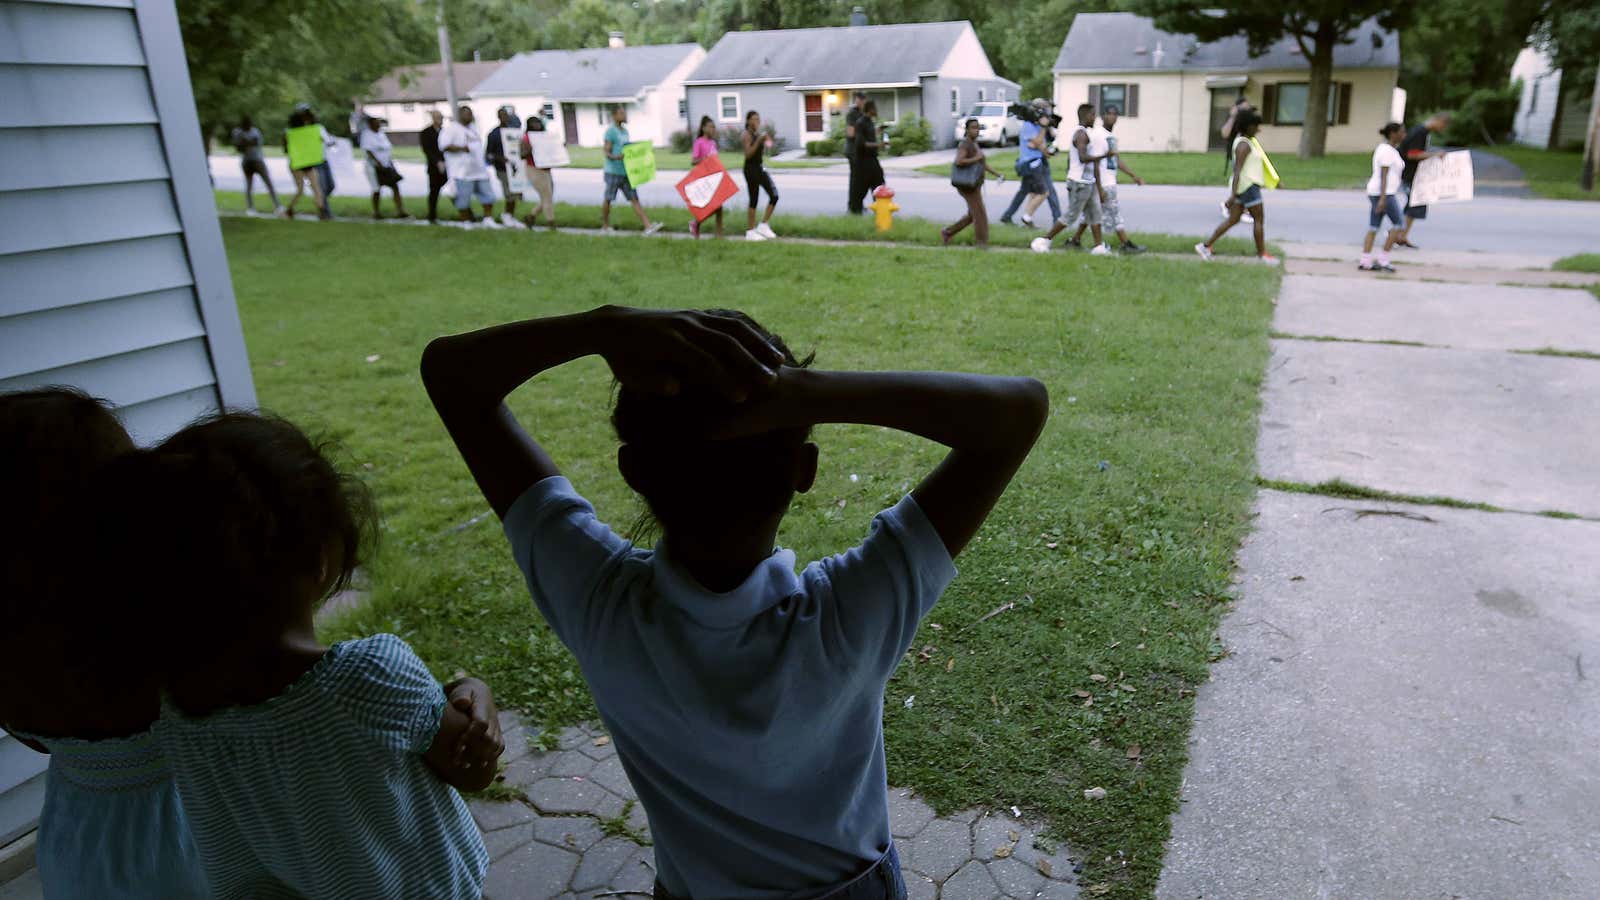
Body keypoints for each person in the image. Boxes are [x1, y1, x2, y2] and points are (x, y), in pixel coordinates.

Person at [419, 305, 1048, 899]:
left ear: (633, 471)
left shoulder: (596, 600)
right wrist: (810, 393)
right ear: (805, 468)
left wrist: (602, 329)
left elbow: (450, 374)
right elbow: (1019, 411)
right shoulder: (851, 614)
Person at [92, 412, 503, 899]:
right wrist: (475, 692)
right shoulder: (368, 676)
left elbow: (234, 868)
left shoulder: (181, 715)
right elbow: (472, 769)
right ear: (322, 558)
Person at [0, 388, 208, 899]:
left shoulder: (18, 657)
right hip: (198, 840)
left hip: (82, 844)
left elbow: (35, 737)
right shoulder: (170, 612)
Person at [1196, 110, 1279, 262]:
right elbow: (1237, 171)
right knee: (1259, 220)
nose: (1258, 129)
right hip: (1248, 187)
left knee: (1233, 220)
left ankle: (1205, 246)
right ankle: (1263, 255)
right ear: (1247, 126)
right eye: (1256, 126)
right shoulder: (1244, 145)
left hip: (1244, 186)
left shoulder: (1245, 142)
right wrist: (1233, 196)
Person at [1030, 103, 1110, 256]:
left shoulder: (1085, 133)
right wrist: (1105, 156)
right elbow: (1083, 157)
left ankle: (1099, 247)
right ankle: (1043, 240)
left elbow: (1070, 160)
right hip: (1080, 182)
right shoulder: (1081, 134)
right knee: (1071, 215)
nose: (1095, 118)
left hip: (1088, 181)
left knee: (1095, 213)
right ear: (1086, 116)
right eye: (1093, 115)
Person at [1071, 105, 1146, 254]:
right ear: (1103, 116)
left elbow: (1115, 160)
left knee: (1090, 214)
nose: (1113, 117)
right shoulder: (1099, 135)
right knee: (1114, 212)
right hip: (1104, 182)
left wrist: (1133, 175)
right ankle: (1126, 244)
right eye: (1109, 114)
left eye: (1115, 114)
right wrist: (1099, 187)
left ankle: (1075, 240)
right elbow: (1096, 161)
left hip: (1109, 179)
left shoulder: (1110, 137)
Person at [601, 105, 663, 235]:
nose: (624, 115)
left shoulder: (625, 131)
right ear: (614, 116)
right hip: (613, 171)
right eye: (621, 113)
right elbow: (606, 152)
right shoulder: (611, 132)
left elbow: (626, 148)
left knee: (634, 198)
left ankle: (648, 226)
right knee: (608, 199)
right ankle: (605, 226)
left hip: (626, 172)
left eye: (624, 113)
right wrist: (617, 157)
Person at [998, 100, 1061, 227]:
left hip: (1038, 161)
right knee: (1046, 192)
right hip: (1031, 164)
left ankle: (1008, 216)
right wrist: (1043, 129)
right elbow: (1036, 143)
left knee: (1026, 192)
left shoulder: (1037, 125)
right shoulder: (1028, 125)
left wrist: (1047, 130)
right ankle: (1053, 219)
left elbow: (1042, 143)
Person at [942, 117, 1003, 248]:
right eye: (973, 128)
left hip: (974, 184)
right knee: (979, 213)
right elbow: (959, 161)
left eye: (978, 128)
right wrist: (976, 158)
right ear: (967, 130)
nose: (976, 130)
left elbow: (982, 163)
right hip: (967, 185)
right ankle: (981, 243)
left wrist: (998, 175)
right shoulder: (965, 144)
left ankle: (948, 232)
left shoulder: (974, 144)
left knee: (972, 215)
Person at [1395, 112, 1452, 249]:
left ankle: (1401, 236)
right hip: (1409, 174)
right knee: (1413, 206)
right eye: (1443, 125)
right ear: (1438, 120)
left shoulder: (1423, 132)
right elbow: (1412, 154)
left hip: (1415, 175)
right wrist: (1434, 155)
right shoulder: (1420, 132)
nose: (1442, 129)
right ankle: (1397, 235)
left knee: (1413, 206)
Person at [439, 105, 500, 227]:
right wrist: (462, 148)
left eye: (471, 114)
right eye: (467, 114)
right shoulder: (451, 129)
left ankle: (488, 219)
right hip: (462, 171)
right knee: (463, 198)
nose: (469, 116)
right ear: (460, 115)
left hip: (479, 169)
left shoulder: (473, 128)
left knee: (487, 195)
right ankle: (466, 221)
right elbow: (444, 146)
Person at [1361, 122, 1407, 272]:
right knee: (1399, 224)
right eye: (1402, 132)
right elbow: (1383, 175)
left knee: (1373, 226)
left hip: (1378, 192)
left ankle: (1365, 261)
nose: (1404, 135)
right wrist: (1382, 199)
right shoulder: (1387, 151)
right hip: (1384, 193)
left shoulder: (1388, 149)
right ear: (1393, 134)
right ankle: (1383, 259)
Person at [283, 106, 331, 220]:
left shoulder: (311, 130)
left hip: (304, 163)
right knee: (302, 190)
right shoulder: (294, 133)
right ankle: (289, 209)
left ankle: (322, 212)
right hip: (299, 164)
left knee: (315, 188)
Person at [360, 116, 409, 220]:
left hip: (387, 165)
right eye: (376, 123)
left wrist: (389, 162)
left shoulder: (381, 134)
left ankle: (400, 210)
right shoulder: (367, 135)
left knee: (395, 186)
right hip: (374, 167)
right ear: (370, 124)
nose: (379, 125)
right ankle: (376, 212)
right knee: (376, 189)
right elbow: (368, 151)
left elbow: (387, 149)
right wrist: (378, 163)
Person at [230, 116, 280, 216]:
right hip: (247, 162)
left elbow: (255, 142)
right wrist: (246, 141)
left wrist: (246, 141)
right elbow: (239, 147)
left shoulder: (254, 131)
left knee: (268, 182)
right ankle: (250, 207)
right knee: (249, 185)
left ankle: (277, 206)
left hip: (257, 160)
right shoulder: (238, 133)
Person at [741, 110, 779, 242]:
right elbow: (748, 154)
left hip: (759, 167)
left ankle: (763, 225)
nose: (757, 121)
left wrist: (767, 140)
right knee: (754, 199)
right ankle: (750, 231)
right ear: (748, 121)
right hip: (750, 169)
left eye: (758, 119)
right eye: (754, 119)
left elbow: (769, 146)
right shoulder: (746, 135)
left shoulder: (758, 134)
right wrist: (758, 141)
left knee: (774, 196)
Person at [1218, 97, 1255, 223]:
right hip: (1236, 153)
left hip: (1246, 153)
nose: (1245, 110)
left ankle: (1232, 206)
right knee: (1239, 180)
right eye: (1242, 108)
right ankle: (1237, 208)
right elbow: (1225, 134)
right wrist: (1233, 116)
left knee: (1242, 180)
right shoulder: (1234, 120)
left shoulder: (1246, 121)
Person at [518, 117, 557, 231]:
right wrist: (531, 149)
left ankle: (531, 217)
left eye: (538, 123)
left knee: (547, 198)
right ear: (529, 125)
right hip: (534, 169)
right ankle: (551, 224)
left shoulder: (544, 136)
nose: (537, 125)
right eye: (533, 123)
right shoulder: (526, 138)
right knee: (547, 198)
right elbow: (522, 155)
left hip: (546, 169)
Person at [485, 106, 522, 227]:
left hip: (514, 167)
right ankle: (506, 216)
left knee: (515, 192)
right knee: (509, 193)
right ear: (498, 117)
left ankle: (510, 215)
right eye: (502, 115)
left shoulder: (513, 131)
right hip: (502, 168)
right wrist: (500, 158)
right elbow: (488, 154)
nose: (505, 117)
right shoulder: (494, 134)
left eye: (506, 115)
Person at [689, 115, 724, 239]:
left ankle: (719, 235)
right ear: (704, 128)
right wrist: (704, 159)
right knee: (709, 207)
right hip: (704, 179)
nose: (713, 129)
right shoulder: (699, 142)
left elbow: (715, 159)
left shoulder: (713, 143)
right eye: (710, 127)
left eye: (714, 127)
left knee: (719, 207)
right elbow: (693, 161)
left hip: (714, 178)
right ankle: (696, 223)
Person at [855, 100, 886, 208]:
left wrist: (878, 130)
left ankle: (880, 208)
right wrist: (879, 145)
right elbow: (861, 143)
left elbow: (869, 135)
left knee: (879, 183)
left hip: (873, 159)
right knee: (862, 186)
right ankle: (856, 209)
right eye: (875, 108)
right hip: (864, 160)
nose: (876, 110)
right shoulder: (861, 123)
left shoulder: (870, 122)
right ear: (870, 109)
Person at [420, 110, 449, 224]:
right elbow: (427, 150)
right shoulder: (426, 132)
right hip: (434, 167)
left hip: (447, 165)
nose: (440, 120)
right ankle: (432, 214)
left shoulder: (445, 132)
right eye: (438, 118)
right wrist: (437, 162)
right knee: (434, 191)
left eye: (441, 118)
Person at [845, 91, 868, 214]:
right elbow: (850, 133)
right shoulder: (852, 114)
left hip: (861, 151)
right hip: (853, 151)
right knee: (855, 179)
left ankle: (858, 203)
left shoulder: (861, 114)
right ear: (857, 100)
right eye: (862, 100)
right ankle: (852, 206)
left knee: (862, 179)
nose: (864, 103)